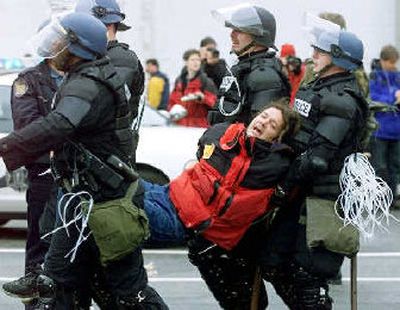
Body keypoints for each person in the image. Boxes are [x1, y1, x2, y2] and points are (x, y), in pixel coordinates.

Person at [0, 12, 167, 309]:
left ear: (76, 48)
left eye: (60, 42)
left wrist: (5, 149)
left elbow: (60, 123)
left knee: (130, 293)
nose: (54, 48)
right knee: (55, 283)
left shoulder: (88, 83)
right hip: (80, 201)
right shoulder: (85, 75)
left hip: (106, 204)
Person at [136, 100, 300, 309]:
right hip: (167, 193)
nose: (263, 122)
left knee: (117, 197)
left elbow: (223, 200)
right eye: (264, 116)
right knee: (116, 182)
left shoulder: (268, 167)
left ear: (277, 139)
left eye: (272, 125)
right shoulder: (229, 133)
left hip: (180, 220)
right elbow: (204, 147)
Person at [258, 26, 369, 309]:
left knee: (307, 273)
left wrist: (282, 186)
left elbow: (317, 157)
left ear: (338, 57)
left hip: (324, 201)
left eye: (321, 50)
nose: (313, 54)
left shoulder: (342, 99)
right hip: (302, 194)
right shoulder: (317, 87)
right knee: (271, 261)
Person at [1, 58, 62, 307]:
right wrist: (57, 143)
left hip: (73, 167)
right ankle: (36, 299)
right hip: (44, 167)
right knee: (40, 235)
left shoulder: (79, 74)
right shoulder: (30, 79)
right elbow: (29, 125)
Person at [75, 0, 145, 161]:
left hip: (109, 153)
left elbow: (104, 104)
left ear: (106, 26)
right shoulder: (91, 57)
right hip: (89, 150)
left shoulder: (121, 59)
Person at [208, 3, 290, 126]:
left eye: (239, 31)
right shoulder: (243, 67)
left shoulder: (264, 76)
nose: (232, 35)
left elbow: (259, 133)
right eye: (232, 30)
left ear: (258, 36)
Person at [369, 45, 400, 209]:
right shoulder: (375, 76)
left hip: (396, 130)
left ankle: (392, 197)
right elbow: (374, 98)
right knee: (379, 166)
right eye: (391, 62)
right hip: (380, 130)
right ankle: (379, 198)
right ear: (383, 60)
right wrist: (393, 97)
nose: (394, 66)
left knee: (394, 165)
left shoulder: (397, 76)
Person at [168, 49, 217, 127]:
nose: (196, 62)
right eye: (192, 60)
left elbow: (215, 103)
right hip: (180, 125)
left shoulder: (206, 81)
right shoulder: (179, 81)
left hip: (199, 126)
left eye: (198, 60)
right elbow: (172, 101)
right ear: (186, 62)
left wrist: (202, 98)